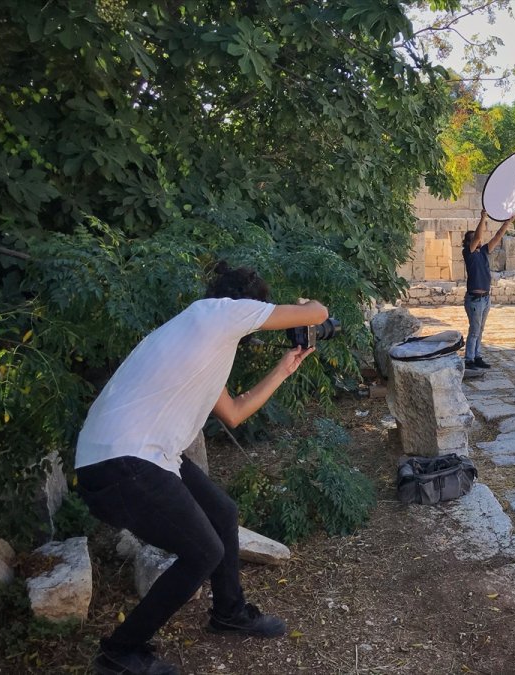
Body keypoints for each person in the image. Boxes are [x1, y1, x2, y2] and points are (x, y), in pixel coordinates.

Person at [75, 262, 329, 675]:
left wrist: (283, 370)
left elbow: (234, 412)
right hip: (123, 462)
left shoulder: (201, 339)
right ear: (246, 305)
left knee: (222, 513)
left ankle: (229, 612)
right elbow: (318, 313)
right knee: (202, 552)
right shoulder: (219, 313)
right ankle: (120, 651)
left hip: (137, 457)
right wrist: (307, 306)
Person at [462, 209, 515, 370]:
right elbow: (478, 236)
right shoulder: (468, 254)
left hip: (485, 298)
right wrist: (483, 218)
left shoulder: (483, 252)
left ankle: (477, 356)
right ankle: (469, 359)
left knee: (480, 329)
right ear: (469, 242)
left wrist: (507, 223)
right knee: (474, 329)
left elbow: (497, 237)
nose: (479, 240)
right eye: (475, 239)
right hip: (475, 299)